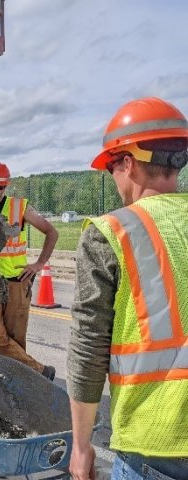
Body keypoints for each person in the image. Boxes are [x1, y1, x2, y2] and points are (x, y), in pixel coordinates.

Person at [67, 97, 188, 480]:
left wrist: (83, 446)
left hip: (154, 442)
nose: (114, 179)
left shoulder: (111, 233)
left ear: (128, 162)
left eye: (111, 168)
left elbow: (88, 348)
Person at [0, 162, 59, 380]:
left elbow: (51, 232)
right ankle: (40, 371)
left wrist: (39, 264)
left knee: (15, 338)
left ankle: (17, 380)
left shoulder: (19, 208)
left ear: (6, 187)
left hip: (17, 281)